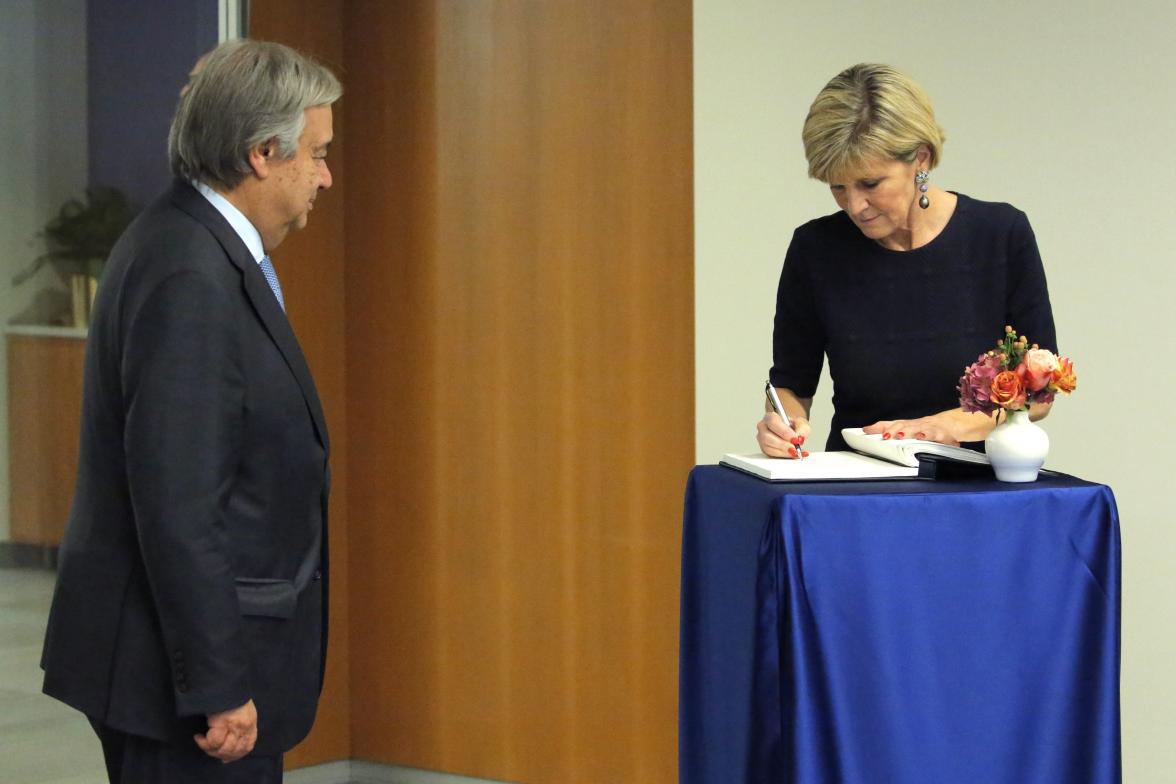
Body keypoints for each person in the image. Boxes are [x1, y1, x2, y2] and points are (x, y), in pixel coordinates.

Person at [41, 39, 340, 783]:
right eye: (317, 153)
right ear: (263, 153)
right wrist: (217, 683)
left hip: (184, 661)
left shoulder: (198, 244)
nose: (327, 176)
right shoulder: (189, 274)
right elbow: (177, 503)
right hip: (180, 685)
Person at [757, 63, 1056, 458]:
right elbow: (791, 383)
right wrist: (782, 424)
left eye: (869, 184)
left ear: (921, 159)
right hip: (856, 485)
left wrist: (945, 425)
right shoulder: (815, 249)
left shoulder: (1000, 235)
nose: (855, 205)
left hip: (976, 486)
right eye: (838, 188)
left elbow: (1038, 393)